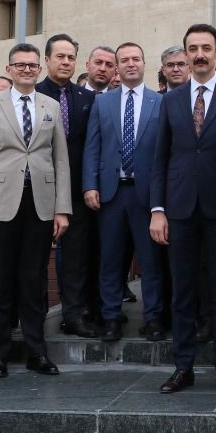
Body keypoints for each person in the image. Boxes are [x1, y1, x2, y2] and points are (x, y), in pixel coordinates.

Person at [150, 24, 216, 394]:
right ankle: (183, 367)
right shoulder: (171, 100)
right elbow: (161, 158)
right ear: (185, 54)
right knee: (182, 292)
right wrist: (157, 209)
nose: (199, 54)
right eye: (192, 48)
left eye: (206, 48)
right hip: (179, 209)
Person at [0, 42, 72, 379]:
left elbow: (60, 160)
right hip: (0, 206)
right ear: (9, 68)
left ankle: (36, 353)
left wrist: (62, 209)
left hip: (41, 205)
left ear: (39, 69)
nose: (27, 70)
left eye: (32, 65)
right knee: (1, 282)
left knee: (34, 282)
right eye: (20, 65)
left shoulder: (50, 106)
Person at [85, 43, 167, 343]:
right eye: (124, 60)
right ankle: (110, 318)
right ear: (117, 67)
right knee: (110, 259)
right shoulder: (102, 103)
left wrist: (162, 199)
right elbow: (92, 147)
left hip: (147, 196)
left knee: (151, 261)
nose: (131, 64)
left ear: (144, 63)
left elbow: (165, 153)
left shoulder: (161, 102)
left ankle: (153, 318)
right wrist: (90, 185)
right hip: (111, 194)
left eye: (136, 59)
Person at [37, 33, 98, 337]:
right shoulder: (33, 96)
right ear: (47, 59)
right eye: (59, 56)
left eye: (70, 57)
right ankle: (34, 319)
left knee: (75, 258)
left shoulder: (87, 98)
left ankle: (73, 315)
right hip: (37, 190)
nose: (65, 62)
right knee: (35, 259)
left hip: (74, 192)